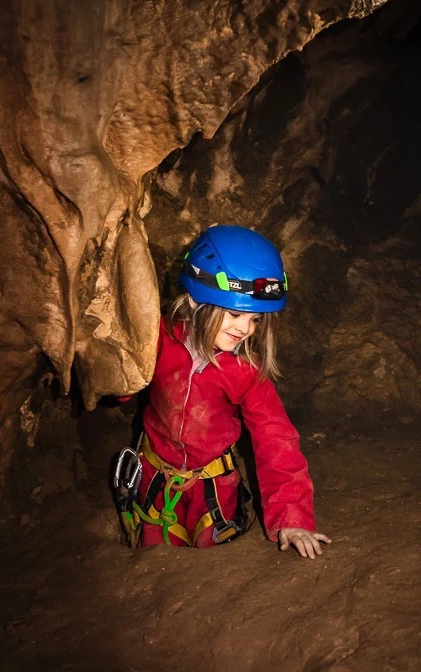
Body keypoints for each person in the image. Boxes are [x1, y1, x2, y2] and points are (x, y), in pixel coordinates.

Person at [116, 225, 331, 559]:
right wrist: (121, 374)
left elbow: (276, 439)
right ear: (195, 300)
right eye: (234, 314)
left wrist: (293, 517)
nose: (245, 329)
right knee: (153, 559)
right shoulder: (157, 338)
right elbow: (123, 384)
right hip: (154, 482)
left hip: (212, 491)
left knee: (211, 557)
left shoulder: (245, 371)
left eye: (256, 320)